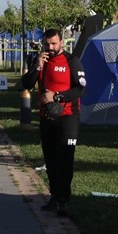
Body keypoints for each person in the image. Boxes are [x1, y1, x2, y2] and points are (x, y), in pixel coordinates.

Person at [21, 28, 87, 217]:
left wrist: (57, 96)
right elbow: (26, 84)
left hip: (68, 117)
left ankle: (64, 199)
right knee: (50, 159)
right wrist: (37, 67)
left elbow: (81, 89)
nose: (50, 48)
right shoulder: (41, 60)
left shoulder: (72, 61)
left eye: (54, 44)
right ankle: (54, 196)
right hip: (46, 117)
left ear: (61, 42)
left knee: (65, 158)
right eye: (47, 44)